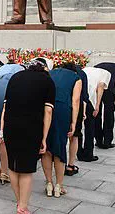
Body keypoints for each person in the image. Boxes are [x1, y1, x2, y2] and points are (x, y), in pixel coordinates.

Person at [0, 59, 55, 214]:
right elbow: (48, 111)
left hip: (10, 126)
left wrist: (2, 129)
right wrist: (44, 138)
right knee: (26, 169)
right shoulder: (47, 81)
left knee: (13, 166)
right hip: (31, 128)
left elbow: (5, 106)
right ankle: (23, 206)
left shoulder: (15, 77)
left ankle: (19, 202)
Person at [42, 67, 80, 198]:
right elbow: (75, 101)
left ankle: (49, 183)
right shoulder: (76, 77)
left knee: (46, 146)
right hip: (63, 109)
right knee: (60, 146)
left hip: (47, 107)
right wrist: (73, 122)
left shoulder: (50, 73)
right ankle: (59, 185)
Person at [77, 67, 110, 162]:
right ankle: (88, 154)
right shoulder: (106, 73)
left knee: (78, 127)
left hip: (78, 98)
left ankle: (79, 152)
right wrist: (97, 105)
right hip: (89, 101)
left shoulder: (86, 69)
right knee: (90, 127)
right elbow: (100, 87)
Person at [64, 64, 89, 175]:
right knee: (74, 137)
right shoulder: (81, 74)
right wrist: (83, 112)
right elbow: (83, 96)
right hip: (76, 108)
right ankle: (70, 165)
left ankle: (60, 164)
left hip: (62, 106)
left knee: (62, 137)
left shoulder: (58, 75)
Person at [94, 62, 115, 149]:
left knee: (97, 114)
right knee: (109, 116)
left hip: (97, 90)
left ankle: (98, 141)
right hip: (110, 91)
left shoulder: (97, 66)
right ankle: (107, 142)